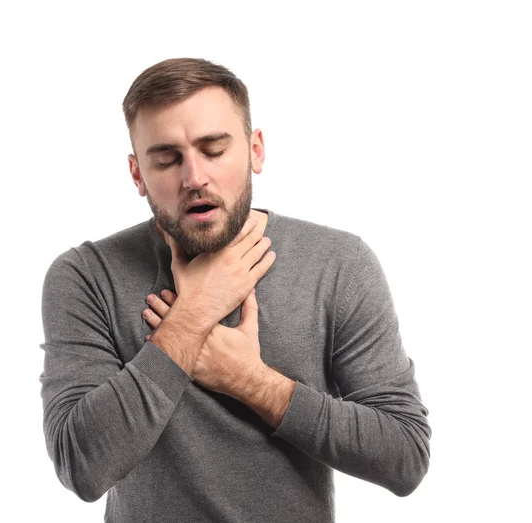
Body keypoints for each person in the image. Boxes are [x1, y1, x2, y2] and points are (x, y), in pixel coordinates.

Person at [39, 57, 431, 522]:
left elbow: (404, 456)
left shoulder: (338, 264)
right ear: (137, 175)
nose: (194, 178)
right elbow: (81, 465)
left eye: (214, 150)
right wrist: (193, 315)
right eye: (166, 159)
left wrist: (251, 382)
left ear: (255, 150)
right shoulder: (86, 276)